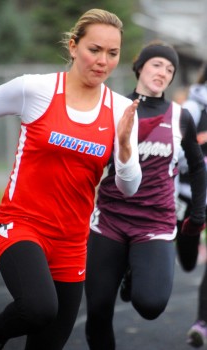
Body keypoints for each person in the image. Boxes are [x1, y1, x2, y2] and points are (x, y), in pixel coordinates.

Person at [0, 9, 142, 350]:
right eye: (94, 49)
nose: (102, 61)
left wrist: (127, 145)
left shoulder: (120, 110)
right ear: (73, 47)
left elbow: (130, 187)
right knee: (39, 307)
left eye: (112, 53)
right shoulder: (36, 88)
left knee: (47, 342)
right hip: (21, 225)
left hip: (72, 242)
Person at [84, 40, 206, 350]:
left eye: (169, 69)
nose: (163, 72)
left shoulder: (181, 116)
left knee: (150, 305)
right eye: (156, 64)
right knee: (98, 310)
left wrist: (199, 212)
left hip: (155, 222)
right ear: (140, 67)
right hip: (110, 219)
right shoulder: (112, 107)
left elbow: (197, 167)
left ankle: (132, 273)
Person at [176, 62, 207, 347]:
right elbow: (175, 156)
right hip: (189, 197)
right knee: (186, 261)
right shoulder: (195, 109)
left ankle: (202, 323)